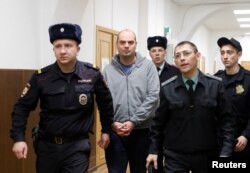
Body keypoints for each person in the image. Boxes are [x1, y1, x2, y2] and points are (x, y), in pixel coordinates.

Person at [10, 23, 114, 173]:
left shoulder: (91, 74)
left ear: (78, 49)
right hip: (47, 147)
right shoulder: (41, 78)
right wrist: (19, 138)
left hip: (77, 146)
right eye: (58, 46)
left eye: (68, 45)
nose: (63, 51)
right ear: (53, 50)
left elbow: (106, 105)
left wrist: (106, 130)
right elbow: (22, 107)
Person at [146, 41, 235, 173]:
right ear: (175, 61)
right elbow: (158, 124)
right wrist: (153, 150)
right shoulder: (167, 88)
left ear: (197, 56)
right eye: (177, 56)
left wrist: (226, 153)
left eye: (186, 54)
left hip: (207, 154)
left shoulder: (215, 86)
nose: (182, 58)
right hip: (175, 155)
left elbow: (227, 122)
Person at [102, 29, 160, 173]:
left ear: (136, 45)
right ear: (117, 44)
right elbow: (103, 101)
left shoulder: (148, 67)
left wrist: (134, 121)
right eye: (122, 42)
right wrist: (112, 123)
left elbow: (153, 97)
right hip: (116, 133)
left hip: (142, 132)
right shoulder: (108, 70)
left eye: (130, 42)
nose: (126, 45)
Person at [147, 36, 180, 173]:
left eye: (160, 50)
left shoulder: (175, 72)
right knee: (152, 161)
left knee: (172, 161)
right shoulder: (144, 72)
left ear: (165, 52)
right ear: (149, 53)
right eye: (154, 51)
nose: (157, 53)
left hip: (169, 124)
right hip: (149, 123)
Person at [215, 37, 250, 161]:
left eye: (230, 52)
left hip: (242, 140)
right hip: (220, 139)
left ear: (239, 54)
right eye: (222, 52)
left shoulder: (248, 79)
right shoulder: (216, 79)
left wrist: (246, 135)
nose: (225, 56)